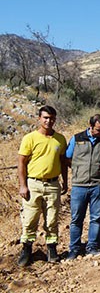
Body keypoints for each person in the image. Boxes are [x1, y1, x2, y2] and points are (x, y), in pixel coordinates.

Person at [17, 106, 68, 266]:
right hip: (33, 184)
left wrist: (65, 181)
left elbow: (63, 162)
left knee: (52, 219)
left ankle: (52, 249)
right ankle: (26, 250)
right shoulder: (29, 138)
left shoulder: (60, 139)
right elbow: (21, 163)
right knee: (30, 219)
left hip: (53, 184)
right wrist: (23, 185)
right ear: (39, 118)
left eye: (52, 118)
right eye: (45, 117)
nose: (49, 121)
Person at [66, 114, 100, 260]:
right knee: (76, 219)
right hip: (79, 186)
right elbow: (68, 157)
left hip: (98, 185)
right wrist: (78, 171)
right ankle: (74, 248)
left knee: (96, 218)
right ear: (91, 126)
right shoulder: (77, 138)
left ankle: (92, 246)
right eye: (98, 130)